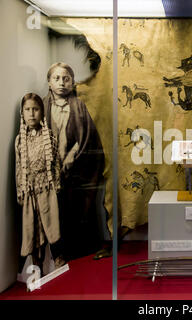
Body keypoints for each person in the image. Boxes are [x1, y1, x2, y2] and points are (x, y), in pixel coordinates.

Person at [44, 62, 106, 261]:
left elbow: (88, 136)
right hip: (50, 168)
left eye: (66, 78)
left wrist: (74, 154)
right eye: (57, 78)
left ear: (72, 82)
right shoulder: (43, 105)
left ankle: (79, 248)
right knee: (54, 210)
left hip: (76, 168)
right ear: (49, 82)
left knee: (77, 208)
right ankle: (57, 251)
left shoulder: (78, 105)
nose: (61, 83)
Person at [15, 93, 65, 275]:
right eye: (27, 110)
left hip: (47, 188)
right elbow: (18, 167)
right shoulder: (21, 140)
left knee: (51, 225)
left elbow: (56, 162)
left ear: (41, 112)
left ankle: (58, 259)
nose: (31, 114)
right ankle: (36, 265)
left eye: (35, 109)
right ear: (22, 113)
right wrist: (20, 189)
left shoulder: (49, 137)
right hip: (30, 190)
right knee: (32, 229)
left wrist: (57, 183)